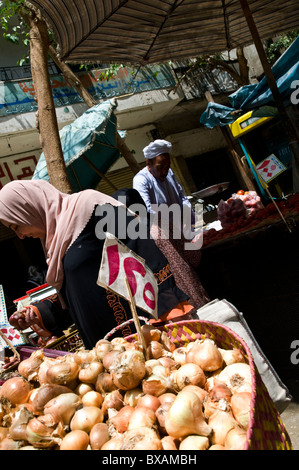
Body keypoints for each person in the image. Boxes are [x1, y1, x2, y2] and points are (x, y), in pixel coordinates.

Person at [0, 180, 195, 349]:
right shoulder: (54, 241)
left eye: (17, 225)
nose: (21, 236)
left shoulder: (90, 206)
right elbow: (77, 294)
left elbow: (142, 248)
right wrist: (39, 313)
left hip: (140, 336)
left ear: (26, 208)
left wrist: (169, 309)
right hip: (106, 347)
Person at [112, 188, 210, 313]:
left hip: (169, 305)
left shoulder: (128, 242)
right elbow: (193, 257)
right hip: (192, 292)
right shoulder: (162, 223)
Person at [133, 139, 195, 229]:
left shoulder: (170, 172)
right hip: (164, 233)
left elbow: (181, 195)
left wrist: (189, 216)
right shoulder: (141, 180)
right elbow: (147, 210)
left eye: (167, 166)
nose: (165, 171)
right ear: (149, 163)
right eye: (160, 167)